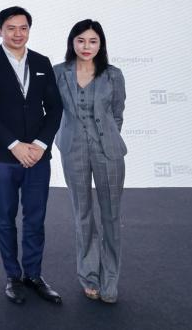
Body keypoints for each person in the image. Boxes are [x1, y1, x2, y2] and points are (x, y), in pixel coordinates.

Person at [0, 6, 63, 305]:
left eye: (23, 28)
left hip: (38, 156)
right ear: (0, 30)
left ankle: (33, 275)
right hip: (4, 156)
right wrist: (14, 144)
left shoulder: (41, 62)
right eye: (11, 28)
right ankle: (13, 276)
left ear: (29, 30)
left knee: (35, 218)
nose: (17, 33)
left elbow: (55, 108)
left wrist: (40, 144)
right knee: (6, 217)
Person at [53, 19, 126, 304]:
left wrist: (107, 137)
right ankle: (89, 276)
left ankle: (110, 279)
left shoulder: (113, 75)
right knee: (82, 215)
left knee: (111, 216)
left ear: (101, 44)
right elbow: (50, 109)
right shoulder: (59, 73)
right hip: (73, 150)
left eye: (93, 41)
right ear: (72, 42)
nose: (86, 46)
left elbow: (117, 112)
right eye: (81, 40)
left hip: (108, 151)